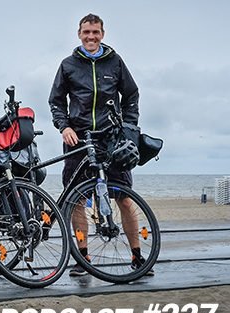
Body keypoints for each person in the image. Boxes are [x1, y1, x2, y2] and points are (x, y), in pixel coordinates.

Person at [49, 14, 153, 277]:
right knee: (76, 200)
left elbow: (131, 95)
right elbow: (56, 101)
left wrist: (128, 128)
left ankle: (137, 256)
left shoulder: (115, 62)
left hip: (111, 138)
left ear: (102, 34)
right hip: (79, 140)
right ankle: (83, 258)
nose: (91, 36)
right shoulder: (68, 65)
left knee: (125, 199)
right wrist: (64, 127)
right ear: (79, 34)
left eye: (95, 32)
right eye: (86, 32)